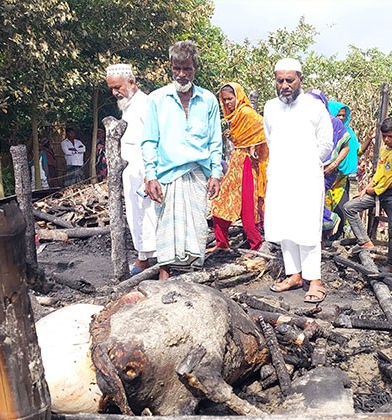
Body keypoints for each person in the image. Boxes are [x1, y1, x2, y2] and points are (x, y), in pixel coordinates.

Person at [142, 41, 222, 280]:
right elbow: (149, 141)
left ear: (195, 68)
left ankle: (193, 277)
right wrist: (151, 174)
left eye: (187, 68)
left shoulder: (208, 100)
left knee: (196, 227)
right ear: (170, 67)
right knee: (167, 230)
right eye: (177, 68)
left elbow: (215, 141)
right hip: (167, 174)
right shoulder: (157, 99)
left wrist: (216, 173)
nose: (181, 74)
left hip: (198, 173)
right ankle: (164, 276)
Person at [263, 58, 334, 303]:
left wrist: (304, 164)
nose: (284, 85)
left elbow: (326, 143)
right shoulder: (270, 107)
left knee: (307, 227)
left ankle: (314, 279)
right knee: (285, 226)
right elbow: (270, 139)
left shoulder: (314, 107)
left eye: (289, 80)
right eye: (280, 80)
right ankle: (294, 274)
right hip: (281, 176)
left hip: (306, 177)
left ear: (300, 79)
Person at [106, 63, 158, 275]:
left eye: (117, 87)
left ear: (132, 82)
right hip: (130, 172)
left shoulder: (145, 104)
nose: (114, 92)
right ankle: (143, 257)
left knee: (149, 214)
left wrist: (150, 173)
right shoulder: (128, 106)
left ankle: (154, 261)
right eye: (111, 88)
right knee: (135, 215)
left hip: (145, 171)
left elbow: (154, 139)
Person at [210, 82, 268, 251]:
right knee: (221, 201)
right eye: (224, 100)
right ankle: (222, 243)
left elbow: (263, 130)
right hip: (236, 162)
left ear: (238, 97)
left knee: (248, 206)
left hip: (247, 164)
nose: (228, 103)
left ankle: (256, 245)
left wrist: (254, 148)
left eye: (230, 98)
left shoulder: (245, 113)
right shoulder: (235, 117)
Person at [344, 117, 392, 272]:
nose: (387, 139)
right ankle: (365, 241)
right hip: (377, 190)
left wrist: (375, 190)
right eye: (384, 136)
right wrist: (367, 188)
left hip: (391, 194)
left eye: (391, 136)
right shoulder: (384, 149)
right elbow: (380, 172)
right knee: (350, 207)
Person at [306, 90, 349, 233]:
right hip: (307, 168)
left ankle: (329, 220)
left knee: (313, 200)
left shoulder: (334, 123)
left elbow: (345, 147)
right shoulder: (304, 123)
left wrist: (334, 164)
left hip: (327, 169)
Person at [325, 100, 360, 239]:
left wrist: (369, 139)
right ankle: (324, 238)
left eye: (343, 115)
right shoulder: (327, 132)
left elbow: (357, 151)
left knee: (342, 207)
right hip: (328, 175)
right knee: (326, 206)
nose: (341, 118)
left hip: (342, 176)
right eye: (338, 115)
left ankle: (338, 238)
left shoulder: (349, 132)